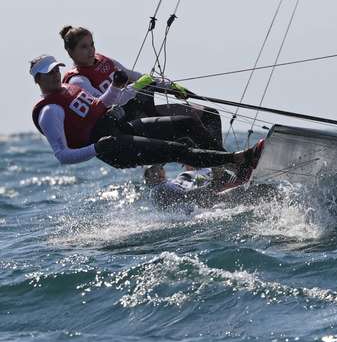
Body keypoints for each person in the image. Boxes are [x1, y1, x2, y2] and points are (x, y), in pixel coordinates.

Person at [30, 54, 258, 169]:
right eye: (48, 73)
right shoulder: (49, 111)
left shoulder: (70, 88)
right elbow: (61, 155)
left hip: (121, 127)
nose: (54, 75)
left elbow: (101, 105)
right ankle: (237, 159)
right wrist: (97, 147)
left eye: (56, 70)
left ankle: (229, 166)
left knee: (184, 123)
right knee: (177, 149)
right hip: (115, 148)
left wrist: (116, 86)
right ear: (38, 79)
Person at [58, 25, 223, 146]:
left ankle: (221, 173)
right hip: (128, 124)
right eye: (84, 47)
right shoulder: (77, 81)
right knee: (188, 125)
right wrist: (137, 86)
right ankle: (226, 169)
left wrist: (172, 87)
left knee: (210, 115)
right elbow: (104, 105)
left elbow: (139, 77)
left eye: (92, 44)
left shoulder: (105, 61)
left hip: (145, 110)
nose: (91, 50)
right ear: (71, 52)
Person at [143, 141, 269, 212]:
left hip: (213, 193)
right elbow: (187, 196)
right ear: (147, 178)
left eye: (158, 168)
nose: (157, 172)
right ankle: (240, 169)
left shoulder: (184, 175)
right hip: (208, 199)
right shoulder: (159, 189)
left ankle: (240, 170)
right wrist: (213, 184)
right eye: (152, 171)